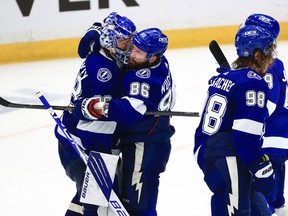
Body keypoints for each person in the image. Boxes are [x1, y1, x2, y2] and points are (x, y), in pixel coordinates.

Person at [83, 28, 176, 216]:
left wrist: (93, 106)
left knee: (138, 208)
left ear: (153, 57)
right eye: (134, 48)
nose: (132, 54)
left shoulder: (144, 80)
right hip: (149, 140)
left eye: (139, 53)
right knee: (125, 202)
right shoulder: (160, 63)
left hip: (145, 145)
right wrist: (99, 33)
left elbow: (128, 109)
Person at [54, 12, 136, 216]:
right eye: (124, 40)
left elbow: (95, 28)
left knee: (89, 194)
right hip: (84, 142)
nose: (130, 45)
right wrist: (104, 158)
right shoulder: (105, 74)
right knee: (98, 200)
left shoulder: (101, 50)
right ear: (110, 39)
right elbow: (100, 120)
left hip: (73, 135)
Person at [194, 24, 276, 215]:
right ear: (257, 55)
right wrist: (259, 166)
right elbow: (246, 136)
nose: (271, 60)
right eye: (268, 53)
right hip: (228, 155)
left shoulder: (227, 77)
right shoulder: (253, 82)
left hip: (211, 152)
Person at [244, 13, 288, 216]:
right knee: (276, 199)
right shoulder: (272, 63)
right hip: (279, 138)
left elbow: (268, 104)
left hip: (270, 140)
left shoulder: (269, 67)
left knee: (264, 199)